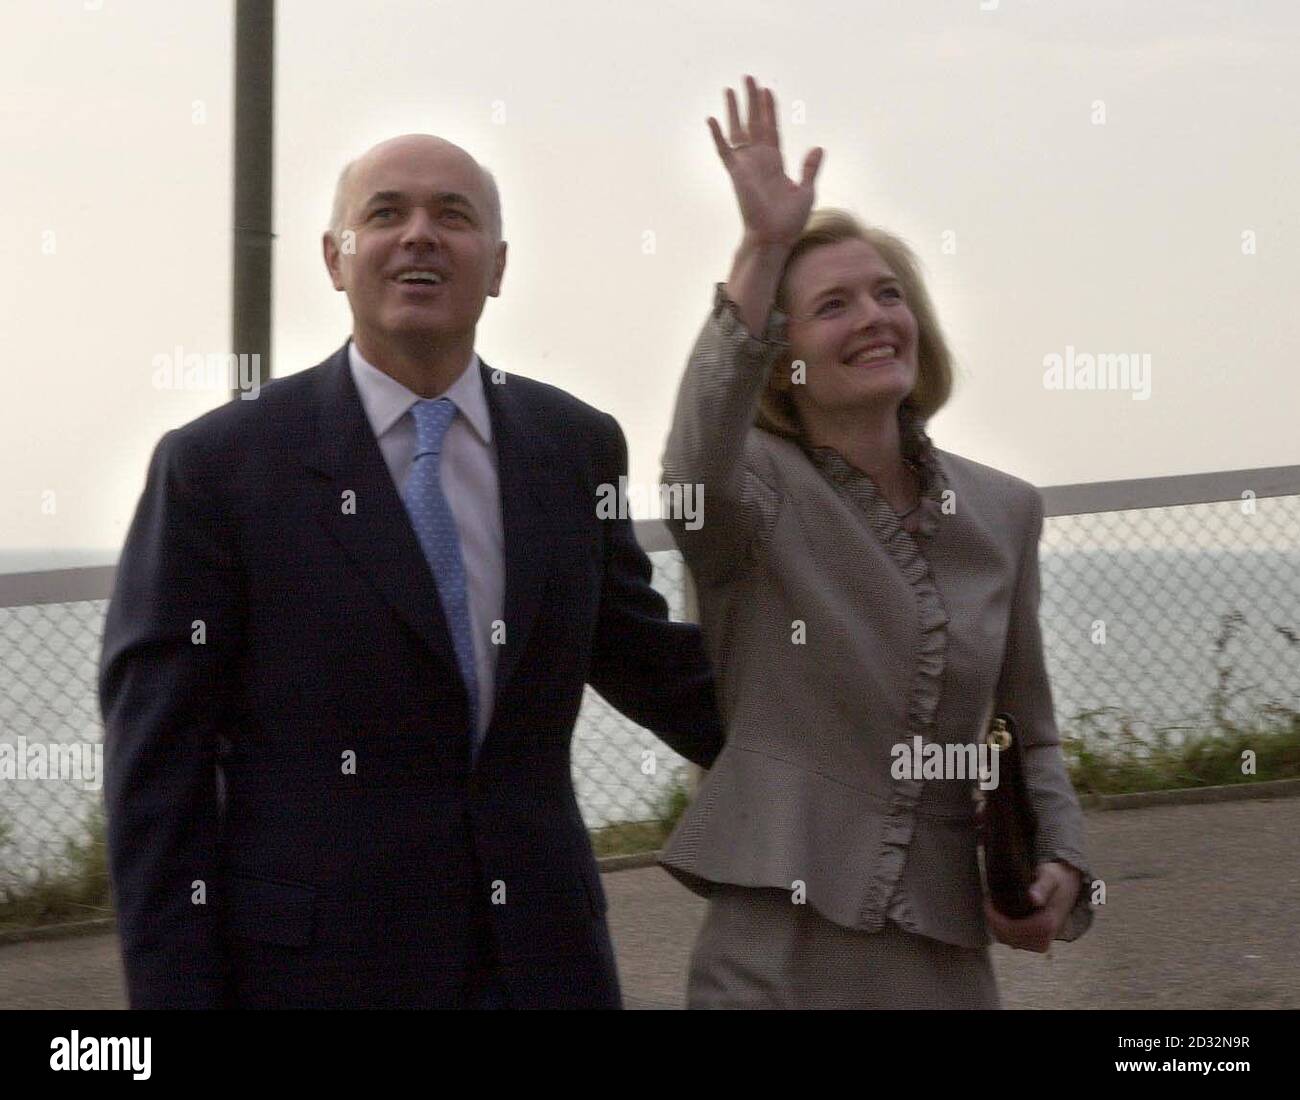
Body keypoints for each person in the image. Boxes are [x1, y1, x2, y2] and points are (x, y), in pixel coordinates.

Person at [99, 133, 723, 1009]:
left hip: (544, 964)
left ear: (497, 265)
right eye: (385, 213)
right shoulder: (220, 466)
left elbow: (647, 660)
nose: (420, 235)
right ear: (335, 258)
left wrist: (860, 750)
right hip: (317, 975)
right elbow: (157, 771)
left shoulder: (572, 446)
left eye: (453, 216)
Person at [658, 77, 1094, 1009]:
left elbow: (1031, 729)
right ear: (786, 360)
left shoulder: (1004, 511)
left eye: (887, 295)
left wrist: (1060, 860)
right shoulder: (751, 494)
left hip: (941, 938)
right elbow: (692, 471)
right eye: (834, 306)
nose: (873, 318)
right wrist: (764, 245)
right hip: (775, 933)